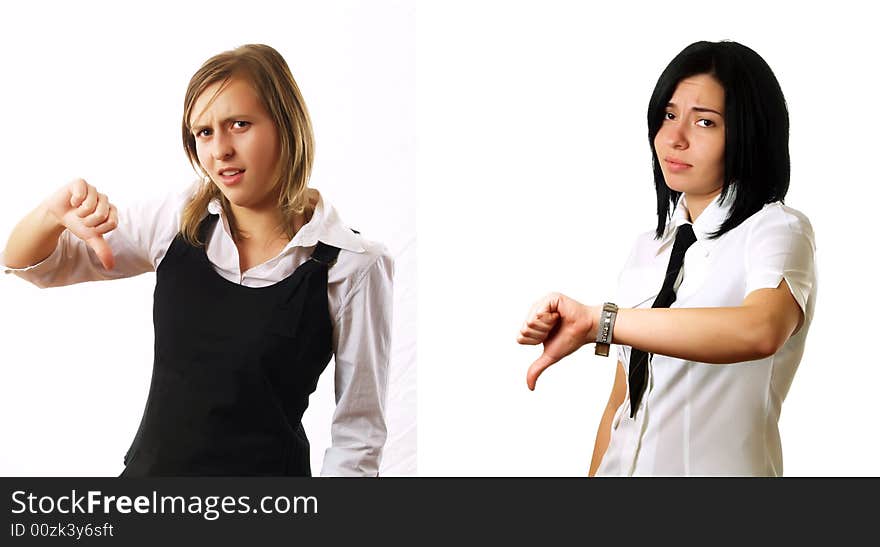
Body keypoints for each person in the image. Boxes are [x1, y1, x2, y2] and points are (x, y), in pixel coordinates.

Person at [1, 44, 393, 477]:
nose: (219, 149)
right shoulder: (178, 220)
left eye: (239, 124)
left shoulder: (352, 266)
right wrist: (52, 214)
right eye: (203, 132)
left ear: (287, 124)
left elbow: (358, 437)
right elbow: (31, 265)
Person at [517, 41, 816, 476]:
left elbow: (760, 329)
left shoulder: (777, 230)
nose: (675, 138)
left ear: (749, 134)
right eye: (669, 115)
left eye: (705, 122)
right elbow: (623, 403)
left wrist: (600, 321)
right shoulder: (650, 248)